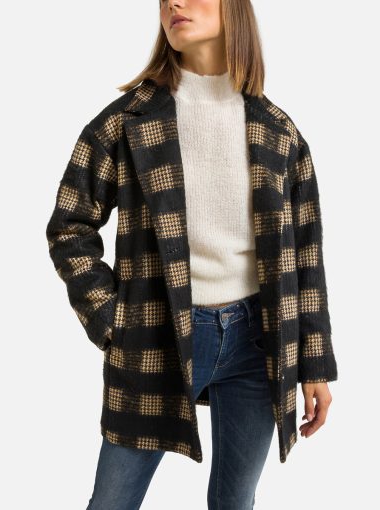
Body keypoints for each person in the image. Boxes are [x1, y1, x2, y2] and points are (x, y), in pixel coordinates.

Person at [46, 0, 338, 508]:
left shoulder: (279, 132)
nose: (172, 4)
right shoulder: (126, 121)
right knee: (113, 500)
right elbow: (69, 227)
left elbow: (307, 255)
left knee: (236, 501)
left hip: (259, 340)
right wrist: (115, 322)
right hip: (158, 333)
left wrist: (314, 363)